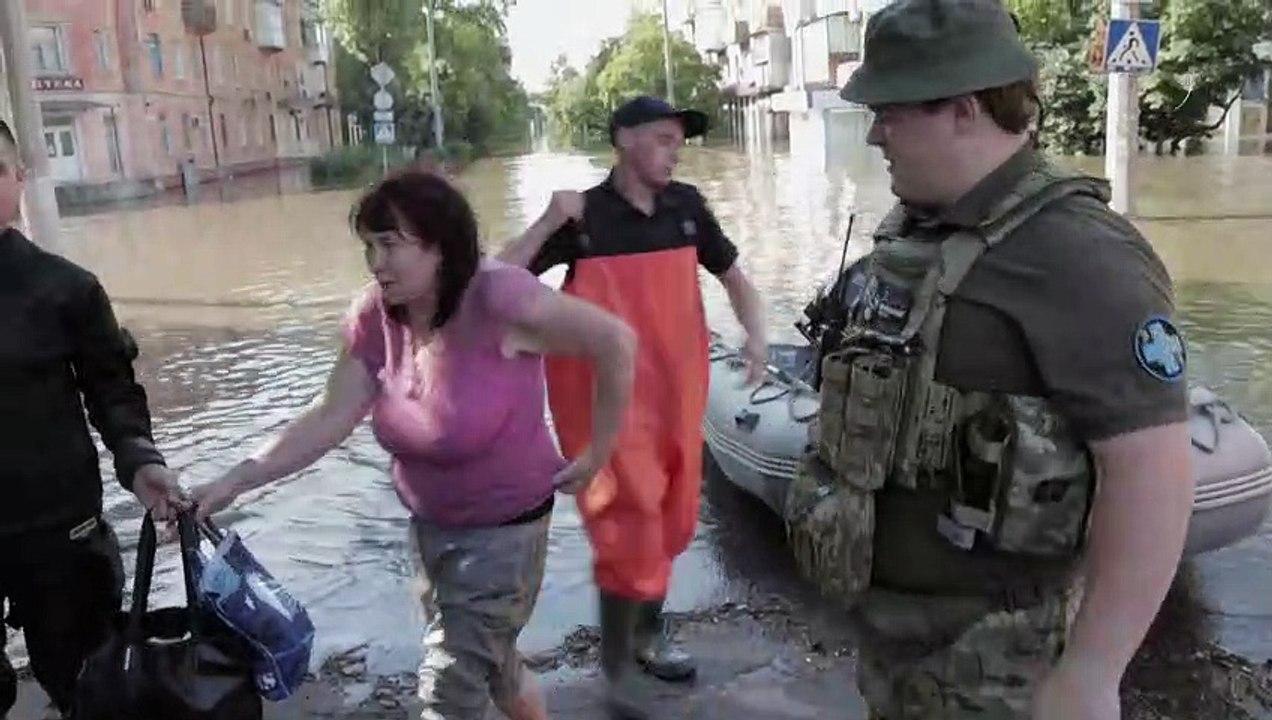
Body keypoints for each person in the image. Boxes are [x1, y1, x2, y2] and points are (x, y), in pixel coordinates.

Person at [788, 1, 1194, 718]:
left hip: (1007, 662)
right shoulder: (916, 232)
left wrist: (1094, 672)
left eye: (891, 110)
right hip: (898, 645)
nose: (876, 132)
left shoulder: (1082, 257)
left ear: (965, 109)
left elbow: (1153, 473)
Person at [189, 168, 637, 720]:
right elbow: (330, 416)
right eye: (369, 246)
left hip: (506, 534)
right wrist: (234, 480)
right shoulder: (375, 315)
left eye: (391, 245)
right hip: (431, 532)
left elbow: (617, 342)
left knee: (449, 688)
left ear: (442, 247)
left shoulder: (500, 299)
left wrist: (598, 453)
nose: (376, 262)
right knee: (492, 665)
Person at [500, 95, 767, 719]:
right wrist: (544, 222)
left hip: (679, 390)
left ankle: (648, 631)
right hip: (605, 404)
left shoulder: (687, 208)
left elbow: (734, 278)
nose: (675, 153)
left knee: (671, 520)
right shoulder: (583, 217)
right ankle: (618, 669)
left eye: (679, 142)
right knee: (628, 523)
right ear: (623, 138)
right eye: (663, 139)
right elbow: (496, 283)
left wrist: (755, 334)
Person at [0, 120, 186, 719]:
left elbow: (114, 392)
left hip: (58, 527)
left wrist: (140, 461)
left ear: (19, 179)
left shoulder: (67, 290)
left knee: (83, 681)